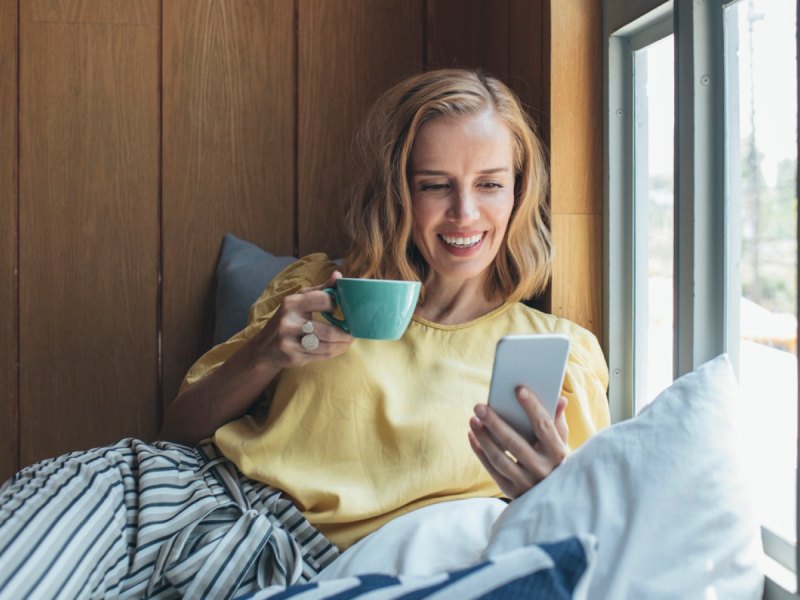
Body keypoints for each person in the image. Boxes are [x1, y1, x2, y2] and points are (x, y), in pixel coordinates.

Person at [0, 68, 610, 599]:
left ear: (519, 191)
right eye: (434, 184)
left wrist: (553, 489)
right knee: (63, 505)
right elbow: (176, 432)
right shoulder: (319, 286)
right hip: (194, 499)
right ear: (401, 192)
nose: (464, 214)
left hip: (319, 569)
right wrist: (266, 353)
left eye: (489, 184)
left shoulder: (558, 356)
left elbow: (591, 540)